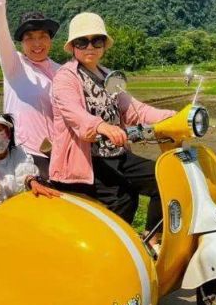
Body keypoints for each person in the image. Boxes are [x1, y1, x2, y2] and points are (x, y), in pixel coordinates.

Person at [48, 13, 175, 237]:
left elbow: (135, 110)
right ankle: (112, 250)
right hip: (87, 158)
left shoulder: (109, 76)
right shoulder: (65, 78)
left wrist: (174, 117)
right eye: (82, 41)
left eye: (96, 40)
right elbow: (75, 114)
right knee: (124, 197)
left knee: (165, 178)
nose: (90, 46)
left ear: (104, 44)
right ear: (72, 47)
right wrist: (102, 127)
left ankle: (151, 239)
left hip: (116, 153)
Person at [0, 0, 60, 179]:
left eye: (42, 36)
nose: (37, 43)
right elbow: (0, 34)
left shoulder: (61, 71)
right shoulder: (15, 64)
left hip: (58, 153)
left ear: (50, 38)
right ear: (21, 42)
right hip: (25, 155)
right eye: (29, 37)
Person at [0, 110, 60, 220]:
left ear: (7, 132)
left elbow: (25, 175)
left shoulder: (19, 153)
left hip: (20, 213)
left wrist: (32, 181)